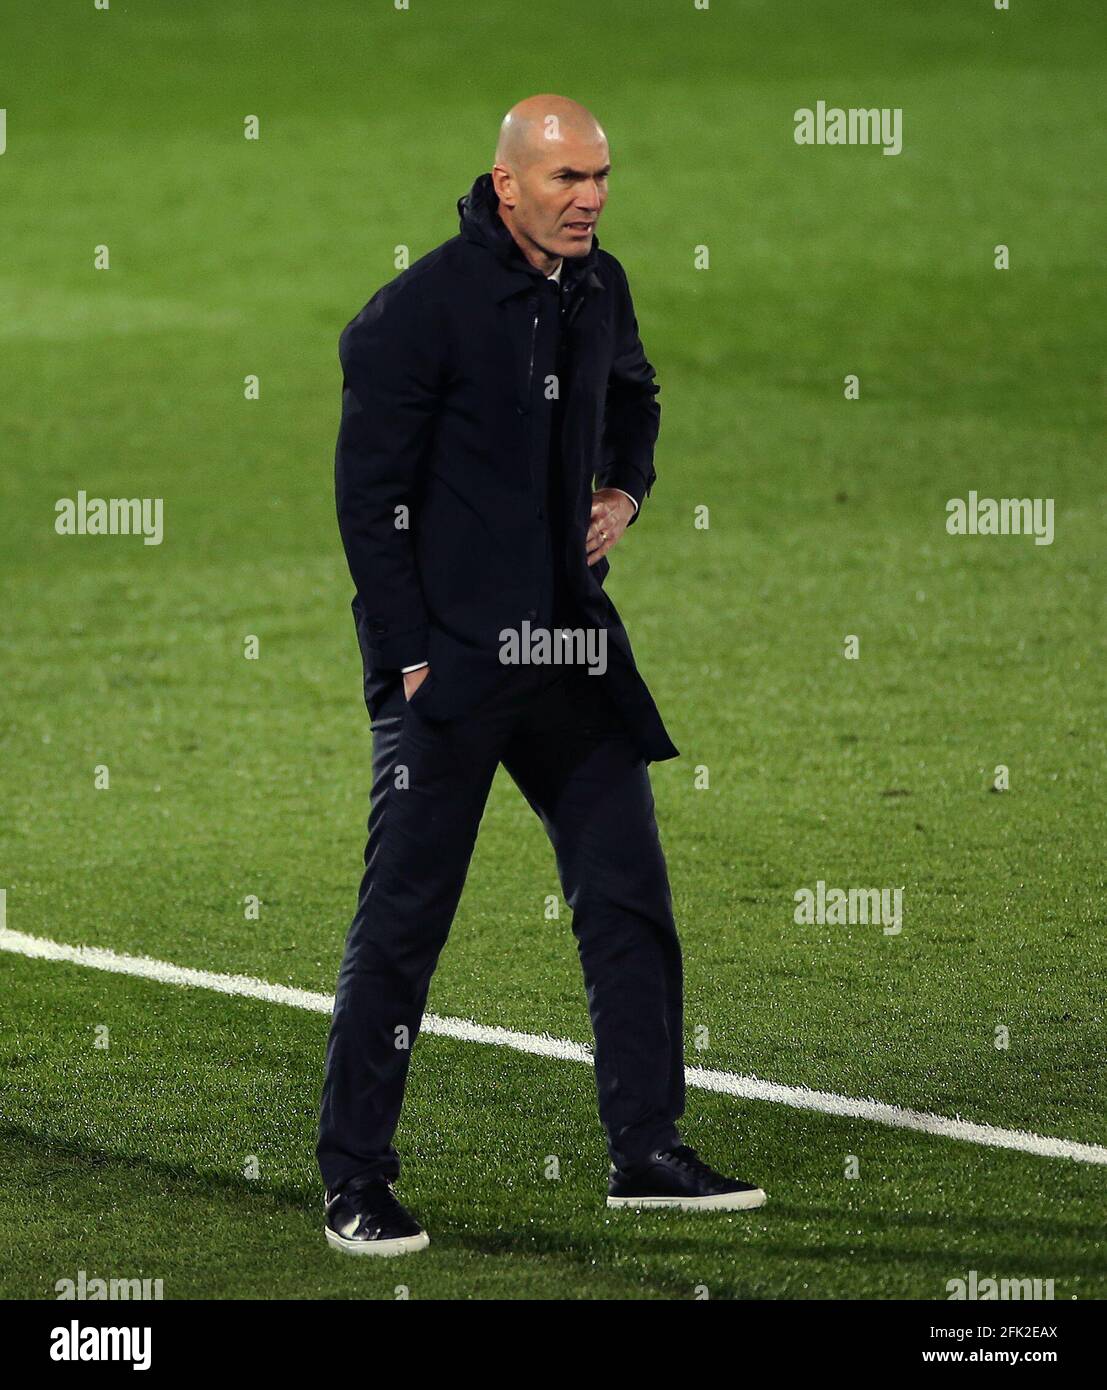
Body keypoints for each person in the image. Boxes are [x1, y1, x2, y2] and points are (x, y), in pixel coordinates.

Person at [317, 94, 766, 1256]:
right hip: (453, 665)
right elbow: (369, 506)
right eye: (568, 179)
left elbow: (635, 395)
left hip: (568, 647)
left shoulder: (595, 288)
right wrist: (409, 657)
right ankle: (354, 1177)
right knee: (405, 924)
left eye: (603, 176)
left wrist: (624, 488)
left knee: (626, 892)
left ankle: (646, 1149)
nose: (592, 199)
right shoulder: (412, 317)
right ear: (505, 184)